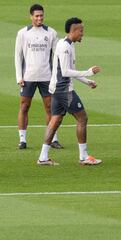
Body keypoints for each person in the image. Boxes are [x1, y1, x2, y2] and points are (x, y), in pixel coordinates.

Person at [37, 17, 102, 166]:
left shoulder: (67, 44)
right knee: (82, 118)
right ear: (73, 31)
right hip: (63, 89)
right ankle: (83, 156)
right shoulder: (65, 47)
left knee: (55, 121)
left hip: (56, 89)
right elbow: (66, 72)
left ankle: (43, 157)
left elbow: (70, 71)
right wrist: (88, 72)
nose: (83, 34)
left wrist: (87, 82)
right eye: (81, 31)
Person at [15, 4, 63, 149]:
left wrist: (56, 76)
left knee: (50, 108)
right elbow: (18, 56)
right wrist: (19, 76)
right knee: (24, 106)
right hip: (28, 76)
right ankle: (22, 140)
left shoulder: (51, 33)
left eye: (41, 15)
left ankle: (53, 139)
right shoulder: (23, 33)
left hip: (46, 77)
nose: (39, 18)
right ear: (31, 16)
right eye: (36, 16)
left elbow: (57, 57)